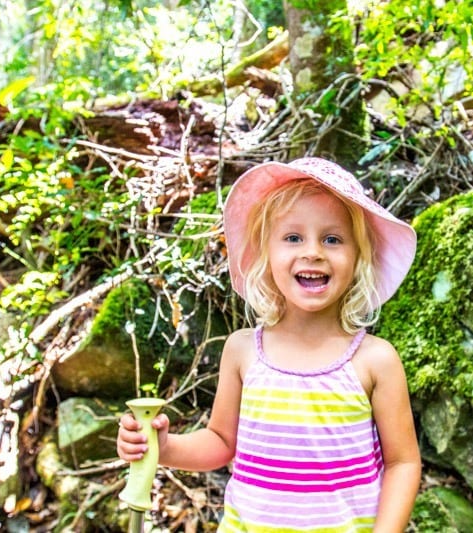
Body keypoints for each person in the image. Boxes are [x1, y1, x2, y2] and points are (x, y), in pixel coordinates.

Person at [117, 157, 421, 532]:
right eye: (293, 238)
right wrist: (164, 448)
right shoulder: (243, 352)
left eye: (332, 238)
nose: (313, 251)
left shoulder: (375, 360)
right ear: (265, 255)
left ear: (359, 257)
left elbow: (402, 463)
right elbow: (220, 442)